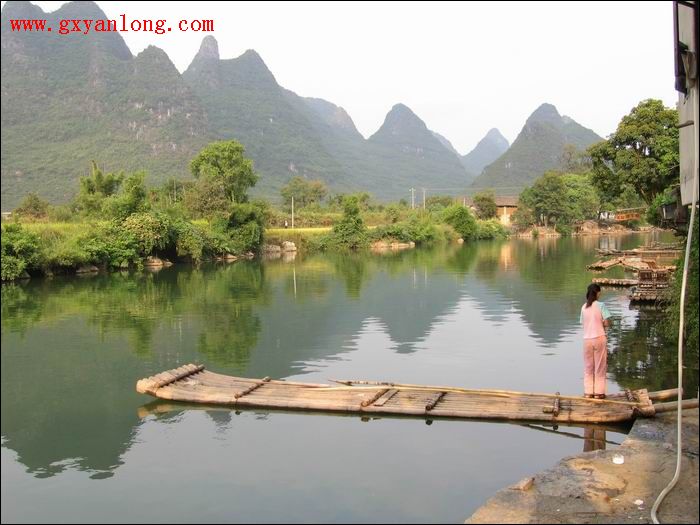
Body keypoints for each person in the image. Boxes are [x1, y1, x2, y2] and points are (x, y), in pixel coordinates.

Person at [579, 283, 611, 399]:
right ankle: (598, 393)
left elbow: (583, 323)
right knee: (600, 366)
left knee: (588, 367)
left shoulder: (584, 307)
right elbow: (607, 323)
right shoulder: (601, 305)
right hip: (599, 338)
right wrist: (603, 323)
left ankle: (588, 392)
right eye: (599, 292)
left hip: (587, 340)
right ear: (597, 293)